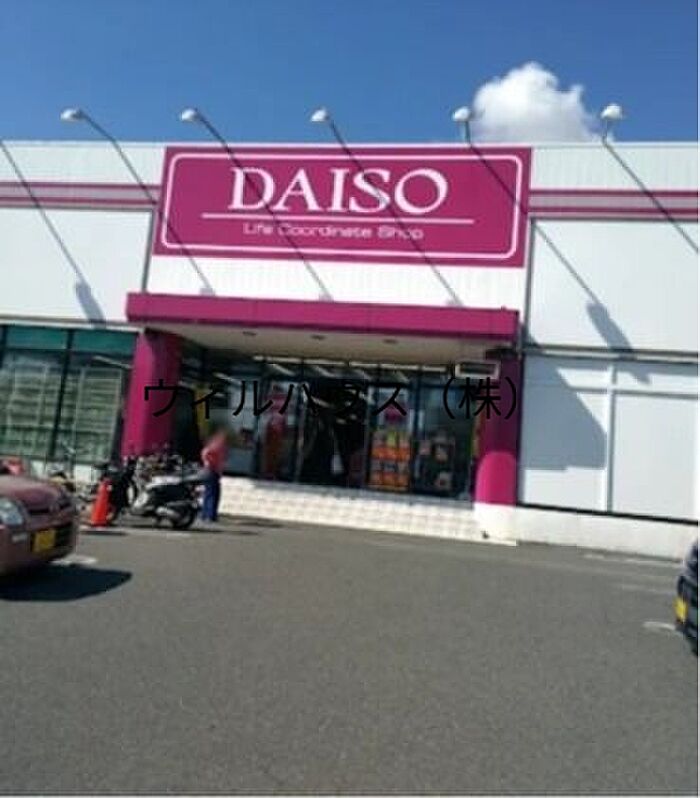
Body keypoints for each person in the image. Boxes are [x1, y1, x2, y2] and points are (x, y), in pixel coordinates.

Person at [200, 429, 228, 522]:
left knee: (211, 493)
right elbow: (206, 452)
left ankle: (207, 514)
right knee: (212, 493)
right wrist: (207, 462)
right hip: (212, 471)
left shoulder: (219, 445)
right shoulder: (216, 444)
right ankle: (209, 515)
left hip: (214, 471)